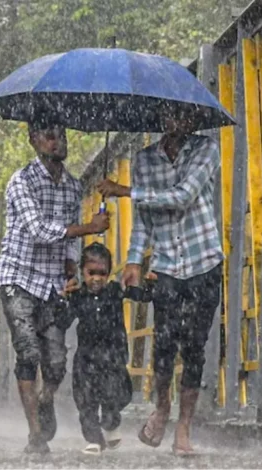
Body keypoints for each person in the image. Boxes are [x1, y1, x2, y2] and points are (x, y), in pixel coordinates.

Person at [96, 113, 224, 456]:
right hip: (166, 265)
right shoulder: (145, 160)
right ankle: (163, 407)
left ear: (193, 115)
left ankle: (184, 428)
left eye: (182, 111)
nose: (177, 118)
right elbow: (144, 220)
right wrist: (134, 259)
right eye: (169, 110)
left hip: (203, 263)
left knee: (194, 348)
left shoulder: (207, 149)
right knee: (164, 346)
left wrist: (123, 190)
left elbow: (182, 196)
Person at [0, 121, 111, 454]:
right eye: (49, 135)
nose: (58, 141)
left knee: (57, 362)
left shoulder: (73, 187)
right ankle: (35, 434)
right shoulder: (22, 181)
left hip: (51, 282)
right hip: (18, 277)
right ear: (32, 139)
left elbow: (69, 244)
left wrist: (73, 265)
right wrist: (90, 226)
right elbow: (39, 230)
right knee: (29, 352)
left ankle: (44, 399)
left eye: (62, 135)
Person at [60, 243, 145, 455]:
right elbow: (63, 320)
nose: (96, 278)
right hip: (86, 359)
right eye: (91, 273)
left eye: (102, 273)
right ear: (82, 272)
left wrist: (146, 285)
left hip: (113, 357)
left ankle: (111, 422)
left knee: (115, 395)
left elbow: (140, 296)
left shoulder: (115, 291)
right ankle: (93, 439)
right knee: (85, 400)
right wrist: (63, 299)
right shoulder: (78, 296)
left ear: (109, 273)